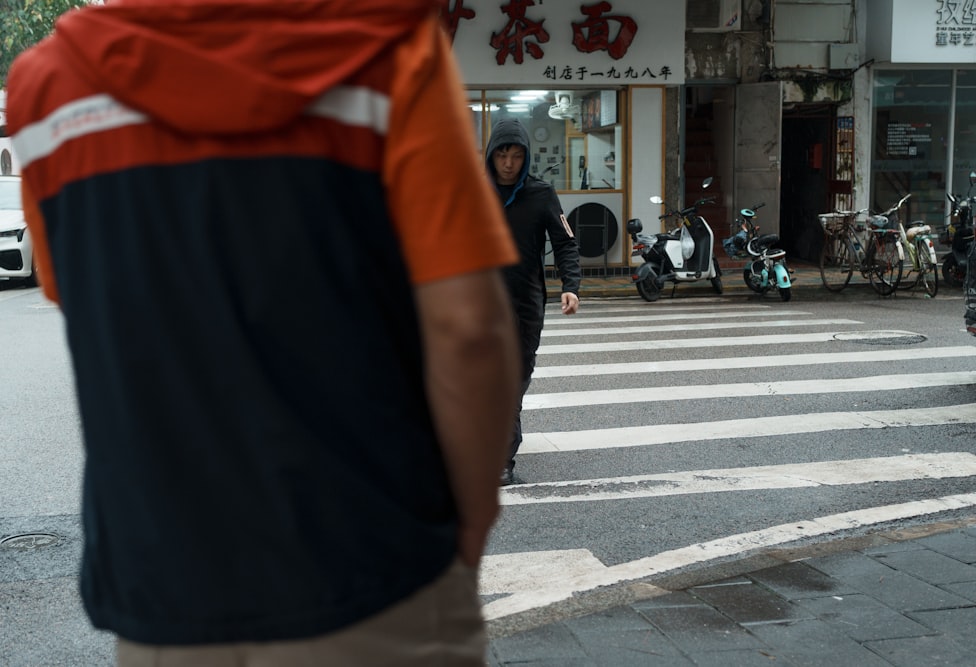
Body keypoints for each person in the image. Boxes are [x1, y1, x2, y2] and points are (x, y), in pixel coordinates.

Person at [7, 0, 522, 663]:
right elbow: (470, 328)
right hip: (375, 570)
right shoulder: (387, 55)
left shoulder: (48, 88)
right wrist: (470, 529)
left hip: (164, 589)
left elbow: (83, 295)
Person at [485, 118, 582, 486]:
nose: (508, 163)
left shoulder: (541, 194)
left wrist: (570, 285)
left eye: (516, 155)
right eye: (502, 155)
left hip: (526, 302)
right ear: (492, 156)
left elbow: (565, 242)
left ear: (526, 157)